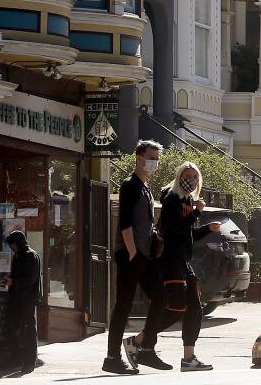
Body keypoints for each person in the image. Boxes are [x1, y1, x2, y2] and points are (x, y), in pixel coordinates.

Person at [138, 162, 220, 372]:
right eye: (187, 175)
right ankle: (140, 341)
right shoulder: (173, 199)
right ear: (178, 176)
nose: (191, 180)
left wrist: (207, 229)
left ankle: (188, 357)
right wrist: (197, 213)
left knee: (193, 308)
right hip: (170, 261)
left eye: (194, 177)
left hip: (182, 261)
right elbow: (175, 228)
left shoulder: (186, 201)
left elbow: (187, 234)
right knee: (177, 308)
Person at [105, 140, 169, 374]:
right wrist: (132, 251)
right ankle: (112, 357)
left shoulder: (145, 187)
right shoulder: (129, 185)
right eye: (151, 158)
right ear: (139, 158)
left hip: (145, 256)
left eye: (157, 159)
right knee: (123, 305)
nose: (154, 163)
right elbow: (125, 222)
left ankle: (146, 350)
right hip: (132, 255)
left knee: (161, 298)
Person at [4, 230, 41, 375]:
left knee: (28, 331)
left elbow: (30, 279)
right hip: (15, 299)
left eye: (13, 244)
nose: (11, 247)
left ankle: (29, 362)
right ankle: (16, 357)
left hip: (27, 299)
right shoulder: (17, 255)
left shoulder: (31, 256)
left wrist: (14, 281)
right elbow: (17, 275)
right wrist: (10, 278)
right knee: (9, 328)